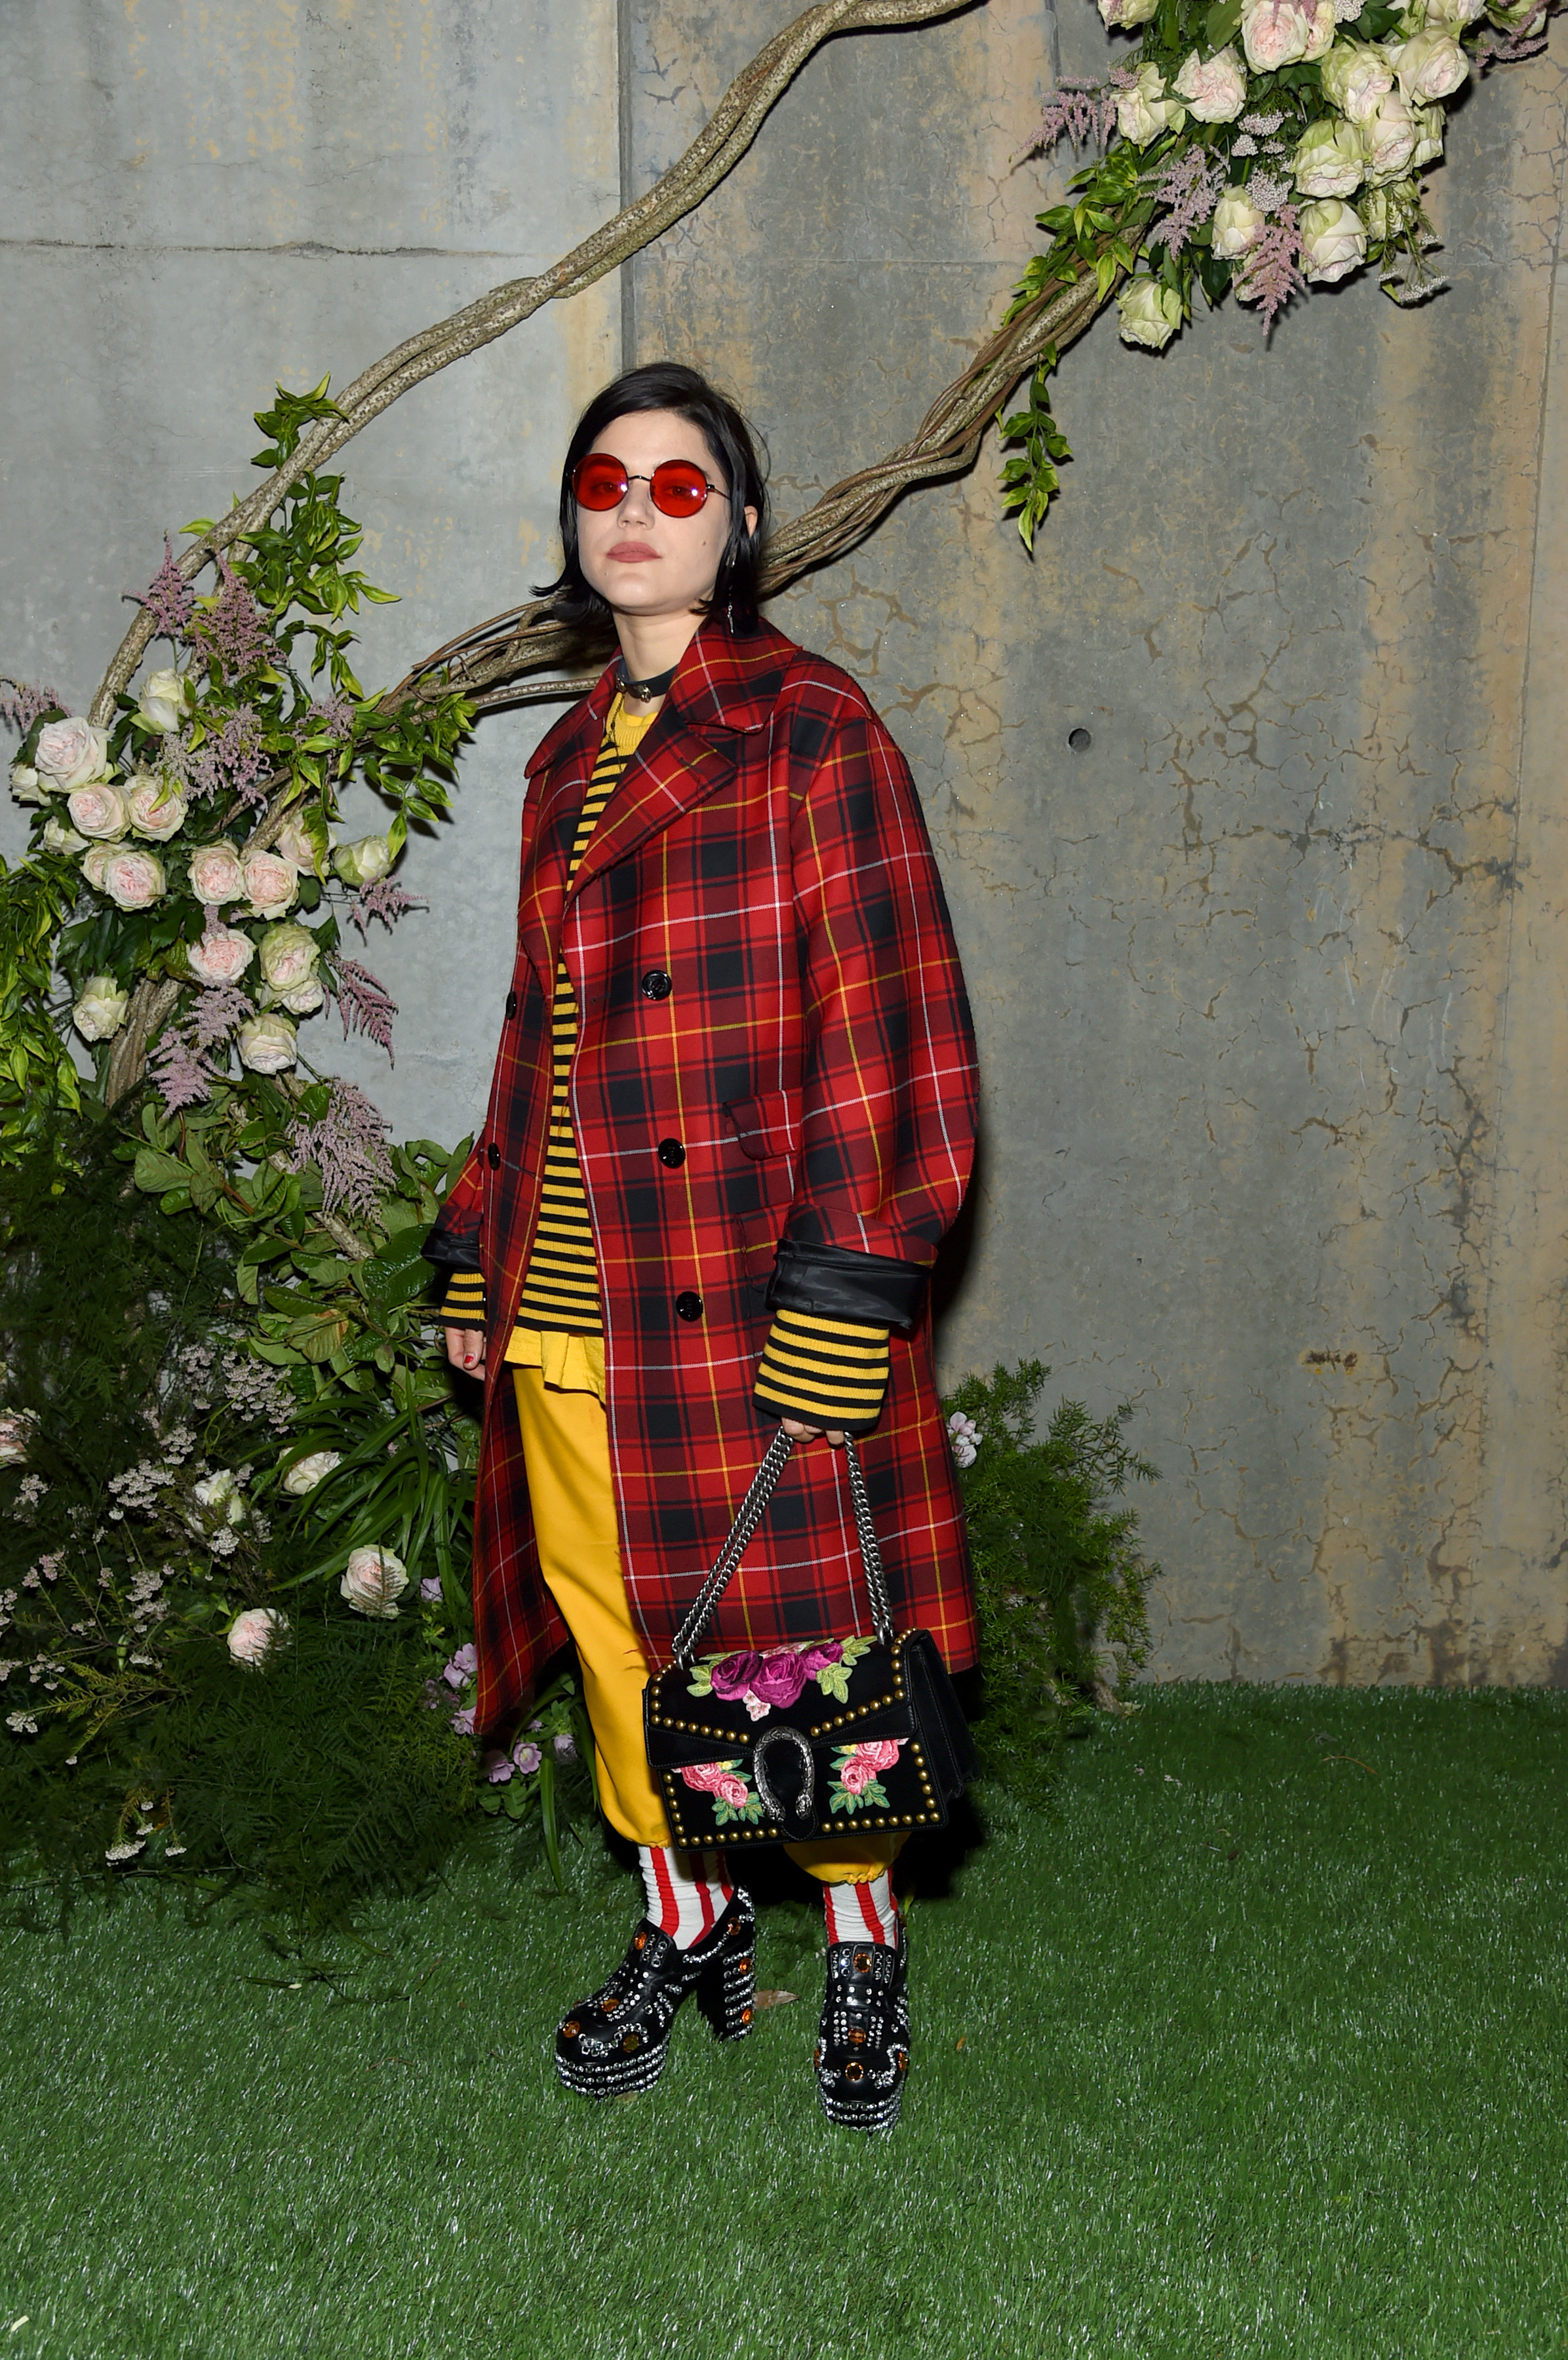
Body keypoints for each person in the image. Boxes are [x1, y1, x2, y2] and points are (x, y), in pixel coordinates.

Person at [423, 361, 978, 2133]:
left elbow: (896, 1024)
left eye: (678, 486)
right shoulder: (560, 760)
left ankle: (862, 1940)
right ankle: (687, 1919)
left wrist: (851, 1281)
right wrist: (475, 1245)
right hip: (567, 1301)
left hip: (739, 1289)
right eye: (605, 482)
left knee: (794, 1641)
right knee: (616, 1645)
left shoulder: (813, 729)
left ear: (736, 525)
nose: (635, 514)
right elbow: (536, 1037)